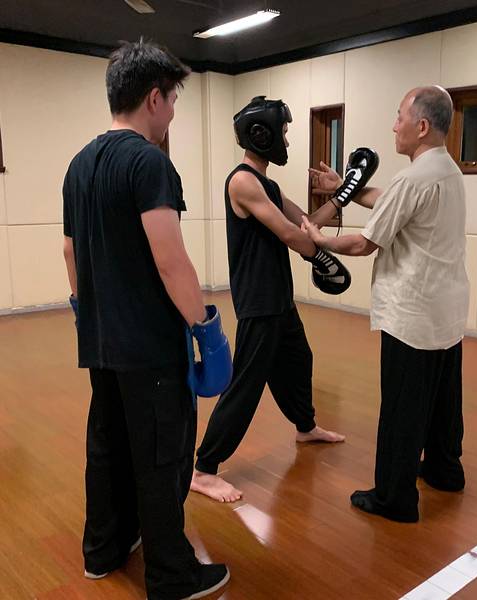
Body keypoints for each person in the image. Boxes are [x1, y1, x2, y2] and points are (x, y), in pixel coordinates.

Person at [62, 39, 230, 599]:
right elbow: (170, 258)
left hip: (101, 342)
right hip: (150, 346)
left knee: (107, 445)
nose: (173, 112)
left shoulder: (78, 165)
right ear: (154, 98)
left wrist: (86, 313)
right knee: (162, 455)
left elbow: (70, 251)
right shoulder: (150, 163)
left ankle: (103, 550)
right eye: (174, 100)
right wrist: (205, 327)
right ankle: (172, 576)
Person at [302, 86, 469, 523]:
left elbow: (364, 243)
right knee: (443, 399)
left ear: (422, 126)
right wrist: (344, 188)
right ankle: (445, 470)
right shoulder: (446, 169)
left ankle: (394, 498)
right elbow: (392, 201)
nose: (394, 126)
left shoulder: (415, 178)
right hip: (446, 311)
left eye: (399, 117)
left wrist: (319, 239)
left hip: (412, 313)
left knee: (402, 406)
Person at [190, 96, 346, 503]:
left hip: (278, 297)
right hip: (258, 301)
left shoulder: (268, 185)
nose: (287, 142)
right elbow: (292, 235)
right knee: (247, 384)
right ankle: (204, 469)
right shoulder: (242, 182)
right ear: (262, 134)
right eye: (284, 133)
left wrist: (344, 194)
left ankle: (305, 427)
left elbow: (306, 224)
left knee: (299, 359)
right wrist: (324, 257)